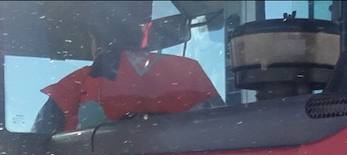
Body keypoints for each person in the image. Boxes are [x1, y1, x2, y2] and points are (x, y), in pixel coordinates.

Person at [32, 9, 219, 134]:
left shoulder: (75, 85)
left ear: (95, 40)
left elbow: (34, 148)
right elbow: (226, 129)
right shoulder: (188, 72)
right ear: (143, 35)